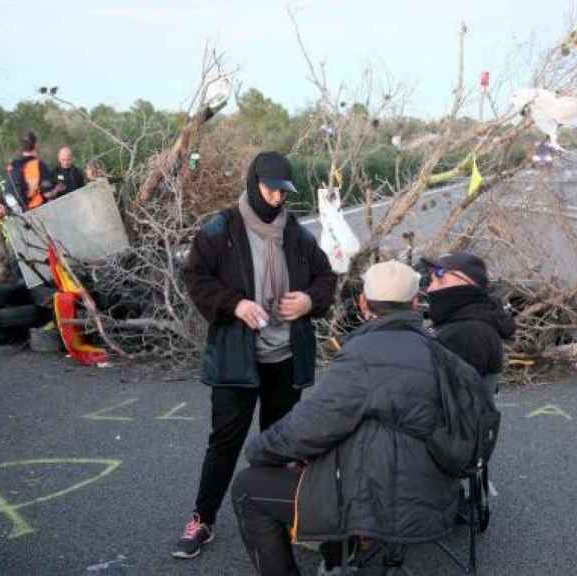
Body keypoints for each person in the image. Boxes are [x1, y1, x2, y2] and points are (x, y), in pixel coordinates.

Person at [229, 260, 485, 576]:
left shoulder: (362, 354)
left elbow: (309, 428)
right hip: (437, 498)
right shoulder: (443, 354)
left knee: (247, 487)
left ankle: (336, 549)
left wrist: (258, 450)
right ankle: (337, 551)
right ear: (416, 303)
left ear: (364, 304)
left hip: (383, 504)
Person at [173, 150, 337, 560]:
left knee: (280, 442)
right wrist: (234, 304)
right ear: (253, 183)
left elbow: (326, 278)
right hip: (236, 358)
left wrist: (309, 302)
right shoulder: (220, 228)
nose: (278, 199)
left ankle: (277, 516)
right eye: (271, 190)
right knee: (225, 442)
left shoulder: (296, 233)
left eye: (284, 192)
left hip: (285, 357)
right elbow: (195, 277)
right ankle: (202, 518)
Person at [426, 252, 515, 388]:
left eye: (440, 279)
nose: (430, 288)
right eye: (431, 281)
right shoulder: (454, 323)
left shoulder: (470, 332)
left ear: (467, 282)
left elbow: (455, 397)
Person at [5, 131, 52, 211]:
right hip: (40, 209)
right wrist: (57, 189)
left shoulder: (12, 166)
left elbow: (8, 193)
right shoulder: (39, 165)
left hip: (23, 215)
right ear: (36, 145)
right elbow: (47, 194)